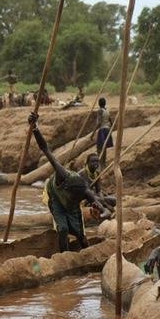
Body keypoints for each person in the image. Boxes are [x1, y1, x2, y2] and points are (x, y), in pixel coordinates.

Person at [29, 112, 111, 252]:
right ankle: (64, 256)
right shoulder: (63, 175)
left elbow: (106, 211)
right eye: (75, 195)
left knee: (81, 236)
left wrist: (100, 214)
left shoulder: (84, 192)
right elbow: (45, 148)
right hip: (55, 198)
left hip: (71, 207)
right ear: (68, 187)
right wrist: (35, 127)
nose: (78, 197)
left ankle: (86, 254)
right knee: (63, 229)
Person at [91, 97, 113, 167]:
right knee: (104, 147)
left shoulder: (100, 111)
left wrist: (93, 133)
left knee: (100, 148)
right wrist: (110, 129)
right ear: (105, 103)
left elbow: (99, 123)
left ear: (99, 104)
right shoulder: (107, 111)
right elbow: (111, 122)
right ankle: (104, 164)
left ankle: (100, 164)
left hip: (102, 130)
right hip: (107, 129)